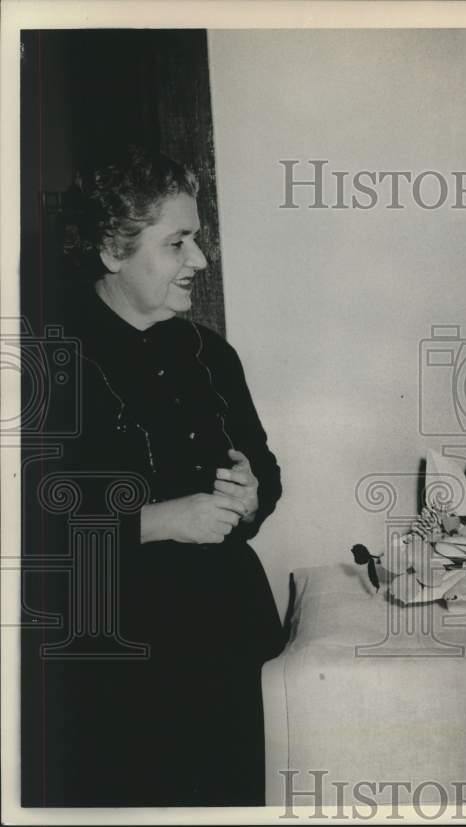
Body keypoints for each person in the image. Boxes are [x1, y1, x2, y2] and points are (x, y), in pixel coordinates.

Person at [25, 146, 286, 806]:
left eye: (196, 239)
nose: (200, 260)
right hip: (115, 673)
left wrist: (252, 492)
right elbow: (27, 533)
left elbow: (266, 469)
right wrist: (162, 520)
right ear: (113, 249)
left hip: (228, 649)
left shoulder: (212, 354)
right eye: (178, 243)